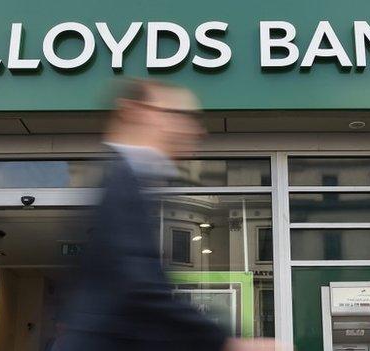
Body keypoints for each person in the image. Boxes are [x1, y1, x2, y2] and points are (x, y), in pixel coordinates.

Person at [51, 79, 283, 351]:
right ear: (138, 112)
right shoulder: (121, 181)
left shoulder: (132, 179)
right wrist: (229, 344)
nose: (197, 130)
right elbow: (138, 287)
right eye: (180, 116)